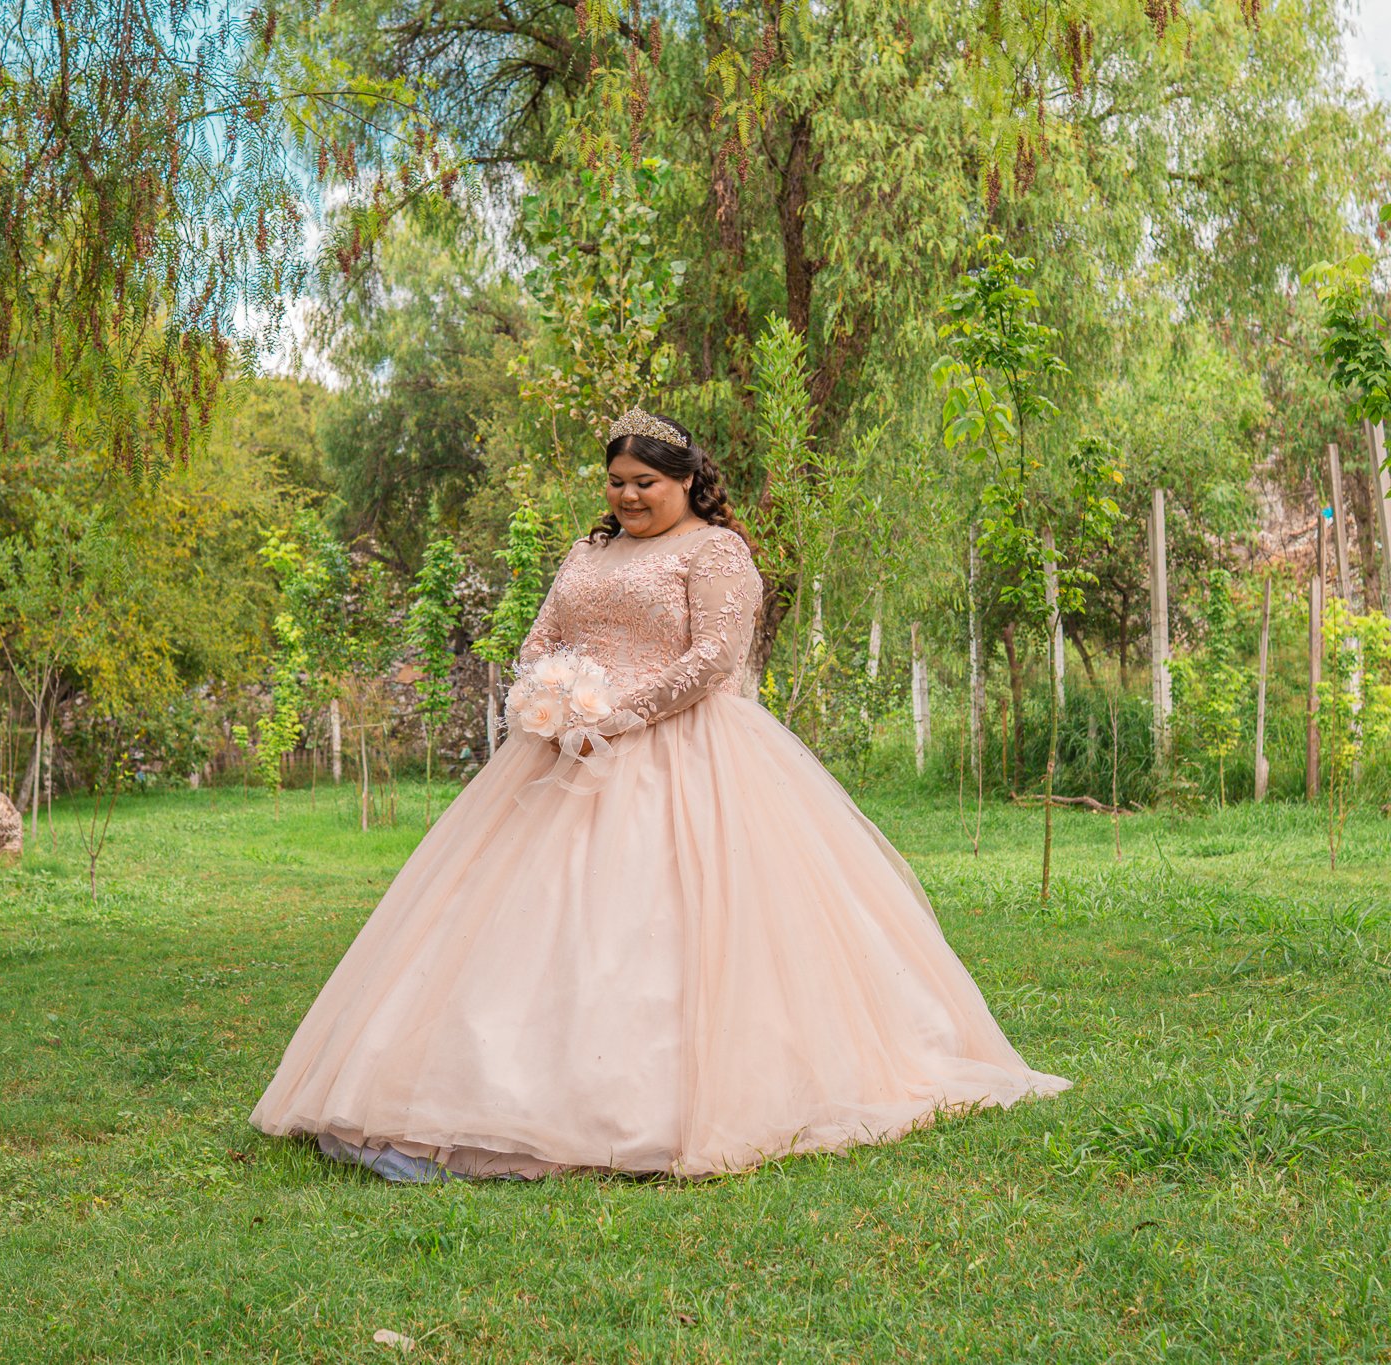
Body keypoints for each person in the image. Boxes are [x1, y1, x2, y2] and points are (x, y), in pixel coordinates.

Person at [250, 409, 1069, 1180]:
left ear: (687, 480)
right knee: (523, 921)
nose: (630, 495)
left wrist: (622, 714)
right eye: (617, 480)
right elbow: (545, 637)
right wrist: (551, 696)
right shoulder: (588, 551)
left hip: (686, 750)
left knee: (660, 919)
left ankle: (664, 1097)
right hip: (562, 755)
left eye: (646, 481)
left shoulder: (716, 551)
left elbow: (715, 656)